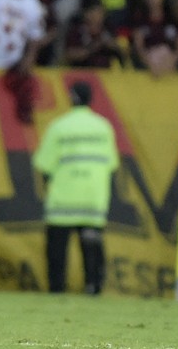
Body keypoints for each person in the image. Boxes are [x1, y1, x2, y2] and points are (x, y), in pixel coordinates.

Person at [32, 81, 119, 295]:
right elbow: (111, 164)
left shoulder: (59, 127)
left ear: (70, 97)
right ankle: (93, 287)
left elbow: (44, 164)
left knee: (57, 250)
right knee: (92, 246)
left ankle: (57, 289)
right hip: (93, 199)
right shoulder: (103, 127)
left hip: (63, 199)